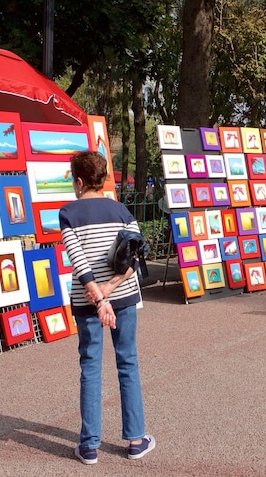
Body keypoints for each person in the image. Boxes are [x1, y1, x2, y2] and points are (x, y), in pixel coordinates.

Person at [60, 151, 155, 464]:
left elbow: (79, 261)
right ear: (102, 179)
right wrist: (111, 289)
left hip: (87, 302)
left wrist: (99, 298)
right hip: (123, 295)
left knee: (90, 366)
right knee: (127, 361)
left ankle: (89, 445)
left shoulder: (69, 214)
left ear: (79, 181)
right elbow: (136, 254)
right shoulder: (121, 211)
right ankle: (136, 439)